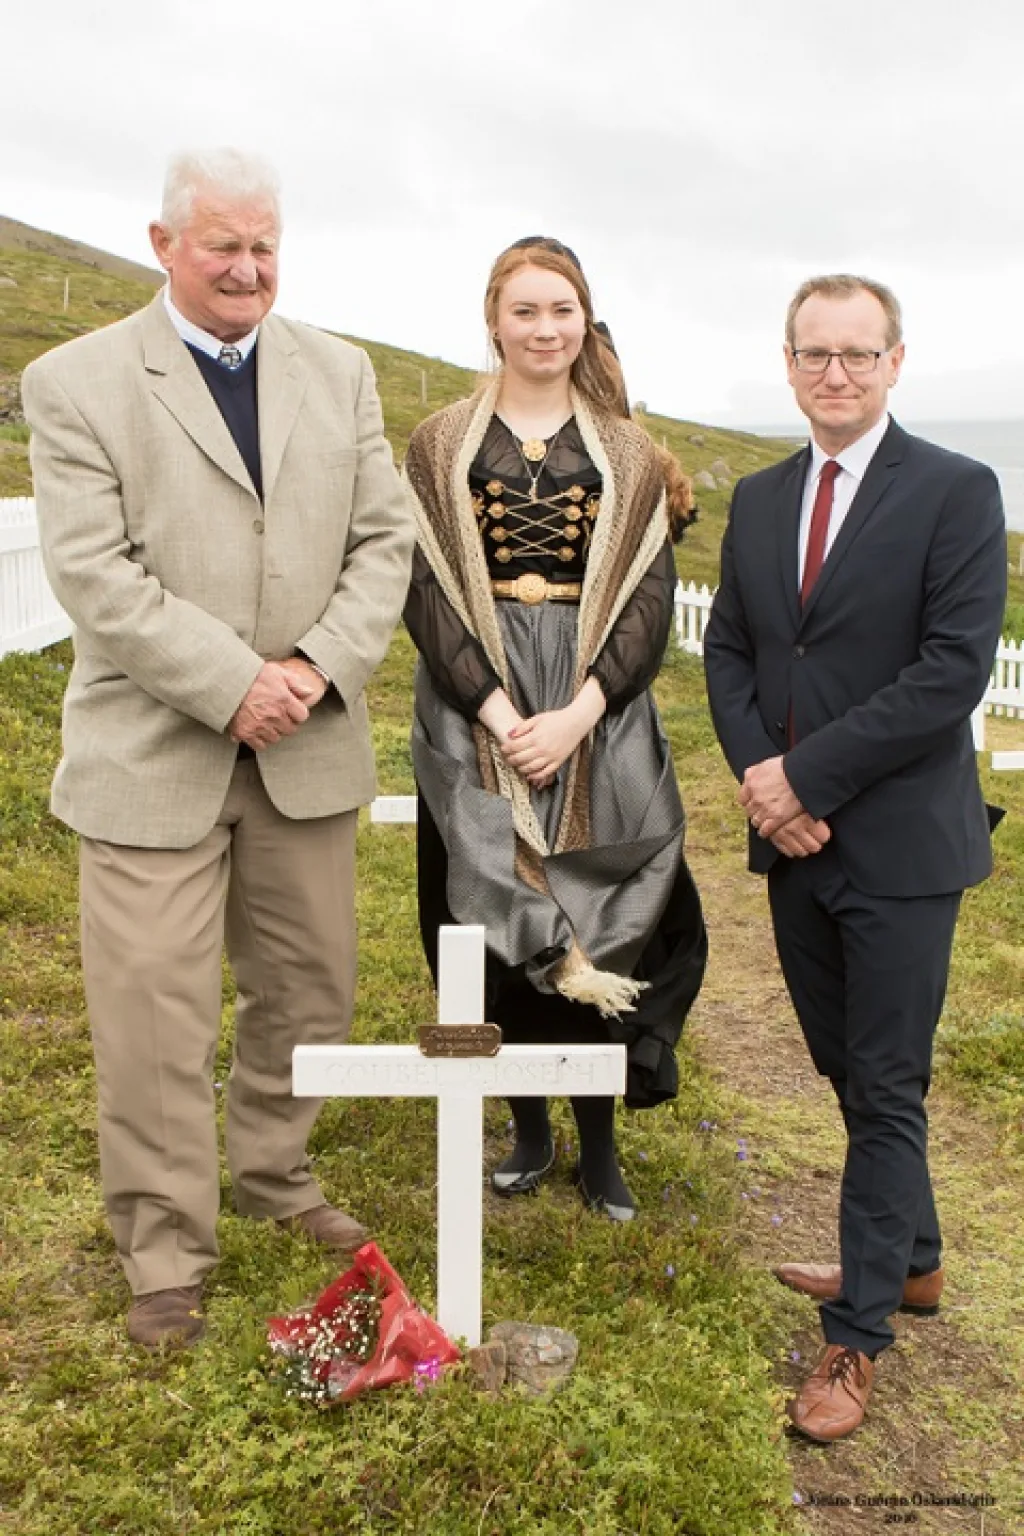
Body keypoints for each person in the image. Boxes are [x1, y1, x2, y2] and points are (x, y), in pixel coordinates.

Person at [22, 149, 414, 1348]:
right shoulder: (75, 382)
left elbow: (384, 541)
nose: (248, 270)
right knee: (155, 1014)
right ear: (163, 244)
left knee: (309, 988)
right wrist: (234, 684)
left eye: (264, 247)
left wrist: (315, 668)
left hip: (306, 748)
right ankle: (164, 1252)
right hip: (152, 756)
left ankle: (274, 1174)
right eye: (223, 247)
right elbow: (94, 575)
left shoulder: (340, 372)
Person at [703, 274, 1006, 1441]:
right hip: (793, 845)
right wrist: (763, 784)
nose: (835, 373)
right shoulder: (759, 496)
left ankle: (857, 1336)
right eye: (814, 354)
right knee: (846, 1071)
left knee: (884, 1087)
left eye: (857, 354)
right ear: (788, 364)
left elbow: (949, 673)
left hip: (900, 846)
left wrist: (808, 778)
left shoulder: (955, 490)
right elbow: (732, 653)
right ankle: (909, 1260)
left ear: (894, 363)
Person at [403, 237, 707, 1222]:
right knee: (483, 917)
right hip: (473, 707)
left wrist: (578, 715)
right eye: (525, 310)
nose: (545, 328)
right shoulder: (439, 445)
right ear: (493, 321)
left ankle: (601, 1142)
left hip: (594, 709)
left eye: (562, 309)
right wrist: (497, 714)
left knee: (602, 914)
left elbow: (648, 598)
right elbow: (425, 587)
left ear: (586, 319)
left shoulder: (628, 452)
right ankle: (527, 1127)